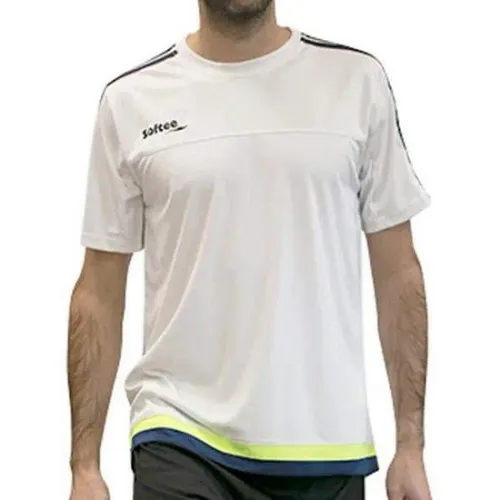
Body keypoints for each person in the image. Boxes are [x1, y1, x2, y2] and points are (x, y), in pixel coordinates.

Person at [68, 1, 432, 499]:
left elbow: (398, 273)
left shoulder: (356, 82)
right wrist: (84, 466)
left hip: (324, 444)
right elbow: (98, 291)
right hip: (178, 433)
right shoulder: (131, 100)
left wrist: (410, 445)